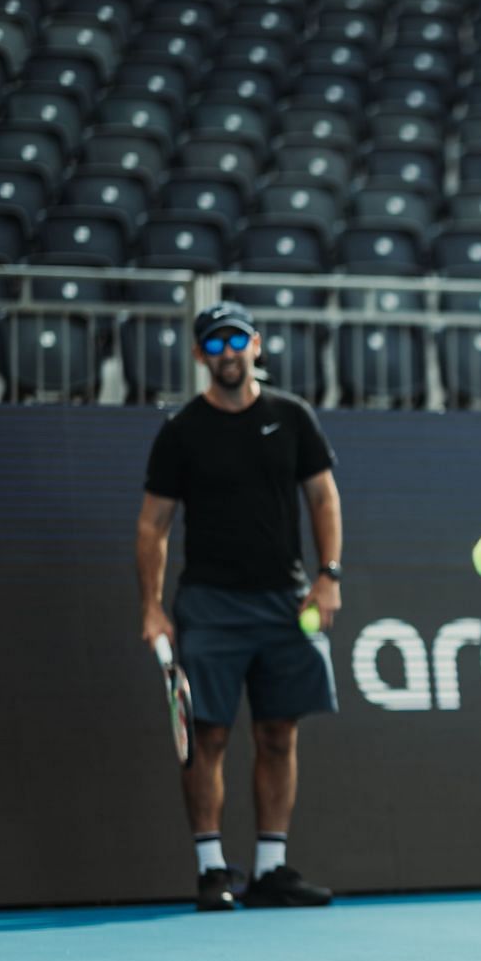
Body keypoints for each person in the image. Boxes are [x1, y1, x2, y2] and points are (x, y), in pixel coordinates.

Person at [136, 301, 342, 912]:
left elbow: (324, 499)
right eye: (214, 344)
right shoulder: (181, 431)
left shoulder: (292, 417)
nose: (227, 353)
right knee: (208, 736)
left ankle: (272, 869)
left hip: (285, 600)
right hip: (209, 605)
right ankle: (212, 870)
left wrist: (328, 576)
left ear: (256, 345)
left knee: (279, 733)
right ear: (201, 356)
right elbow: (153, 526)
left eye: (236, 340)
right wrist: (151, 607)